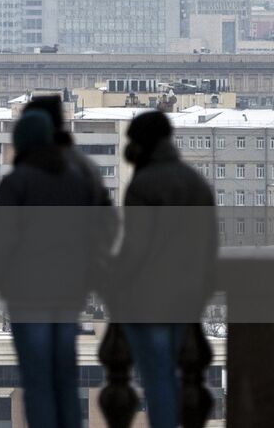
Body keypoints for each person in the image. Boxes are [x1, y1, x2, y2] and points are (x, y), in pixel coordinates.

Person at [0, 109, 115, 428]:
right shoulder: (76, 182)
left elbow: (1, 242)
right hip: (69, 293)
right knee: (64, 378)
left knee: (37, 381)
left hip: (28, 296)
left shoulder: (15, 183)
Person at [110, 111, 216, 428]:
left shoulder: (143, 185)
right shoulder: (196, 182)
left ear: (141, 145)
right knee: (183, 376)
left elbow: (136, 247)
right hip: (188, 297)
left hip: (150, 299)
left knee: (158, 378)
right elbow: (210, 245)